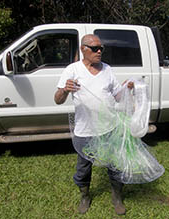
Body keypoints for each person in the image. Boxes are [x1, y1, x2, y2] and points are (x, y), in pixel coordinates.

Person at [54, 34, 133, 215]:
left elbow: (118, 96)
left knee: (115, 164)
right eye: (95, 48)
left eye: (101, 48)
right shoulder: (72, 70)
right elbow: (58, 99)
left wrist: (127, 89)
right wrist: (65, 89)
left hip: (109, 128)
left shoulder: (107, 69)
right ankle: (85, 196)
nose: (99, 52)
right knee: (83, 167)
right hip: (85, 130)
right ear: (83, 49)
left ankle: (117, 197)